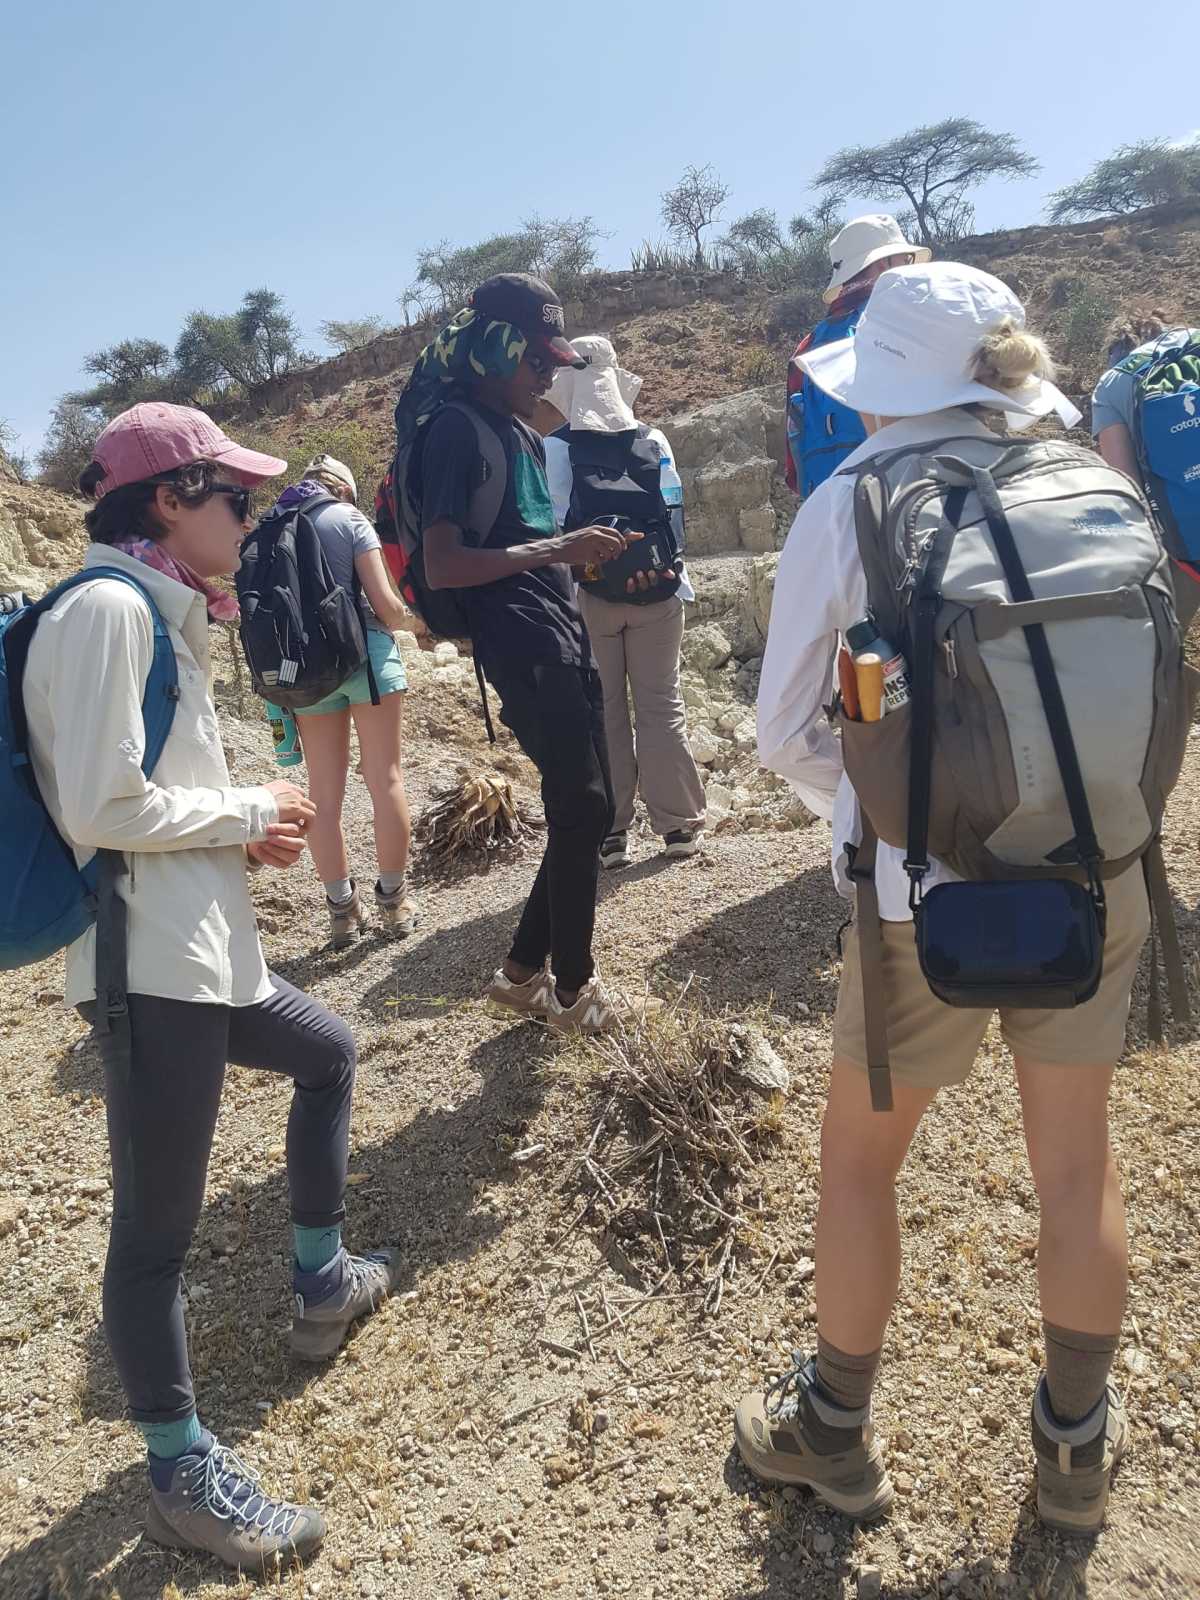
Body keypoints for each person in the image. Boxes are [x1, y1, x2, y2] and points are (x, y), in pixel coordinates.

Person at [743, 264, 1145, 1536]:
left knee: (861, 1164)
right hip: (1096, 872)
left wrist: (895, 805)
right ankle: (1074, 1452)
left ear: (888, 388)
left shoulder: (852, 500)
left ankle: (832, 1431)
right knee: (1075, 1165)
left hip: (922, 901)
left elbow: (783, 730)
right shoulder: (1086, 478)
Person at [22, 403, 400, 1573]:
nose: (251, 513)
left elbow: (144, 799)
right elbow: (100, 805)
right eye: (234, 494)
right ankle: (180, 1477)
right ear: (169, 499)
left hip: (198, 953)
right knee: (153, 1240)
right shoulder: (107, 611)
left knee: (328, 1050)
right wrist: (245, 811)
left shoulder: (156, 606)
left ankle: (322, 1277)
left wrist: (242, 833)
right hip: (150, 971)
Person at [398, 273, 640, 1033]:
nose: (545, 376)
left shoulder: (520, 433)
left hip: (558, 630)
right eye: (537, 361)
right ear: (495, 352)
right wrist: (562, 548)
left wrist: (578, 554)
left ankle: (520, 973)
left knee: (585, 807)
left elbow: (520, 539)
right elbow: (444, 564)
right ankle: (572, 990)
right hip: (520, 641)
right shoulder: (455, 431)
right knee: (584, 806)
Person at [542, 336, 706, 869]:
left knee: (606, 709)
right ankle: (678, 825)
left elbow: (553, 525)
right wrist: (665, 566)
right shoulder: (652, 438)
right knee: (661, 706)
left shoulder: (556, 447)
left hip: (590, 595)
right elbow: (675, 508)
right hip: (659, 587)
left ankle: (612, 834)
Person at [274, 452, 420, 948]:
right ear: (344, 490)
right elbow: (386, 606)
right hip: (366, 661)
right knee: (385, 778)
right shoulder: (350, 519)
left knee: (322, 794)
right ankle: (394, 903)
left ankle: (341, 911)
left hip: (306, 673)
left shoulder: (277, 524)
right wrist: (417, 621)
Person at [784, 214, 928, 499]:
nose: (910, 267)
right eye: (906, 259)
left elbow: (794, 468)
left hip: (829, 508)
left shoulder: (807, 348)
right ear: (883, 264)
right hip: (907, 501)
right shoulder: (907, 323)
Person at [1091, 315, 1200, 624]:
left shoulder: (1111, 384)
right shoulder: (1195, 338)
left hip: (1186, 541)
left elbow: (1127, 487)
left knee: (1167, 631)